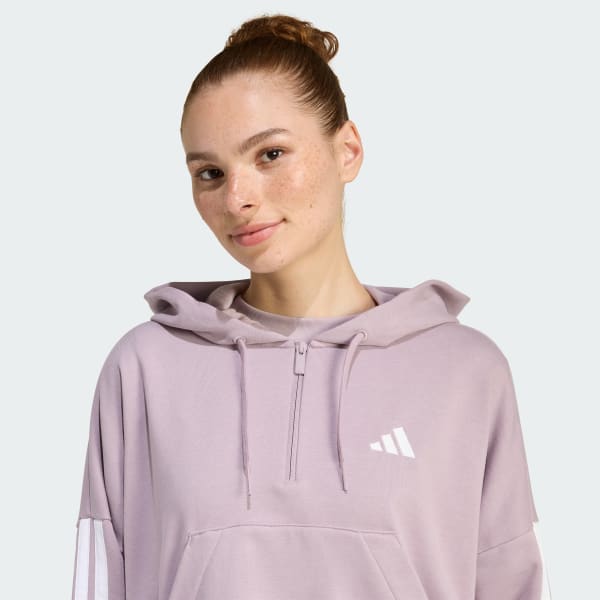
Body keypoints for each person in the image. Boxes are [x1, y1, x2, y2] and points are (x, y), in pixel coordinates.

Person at [70, 13, 552, 600]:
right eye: (210, 173)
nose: (237, 198)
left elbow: (509, 581)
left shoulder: (465, 371)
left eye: (270, 154)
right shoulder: (144, 368)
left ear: (348, 150)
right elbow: (102, 579)